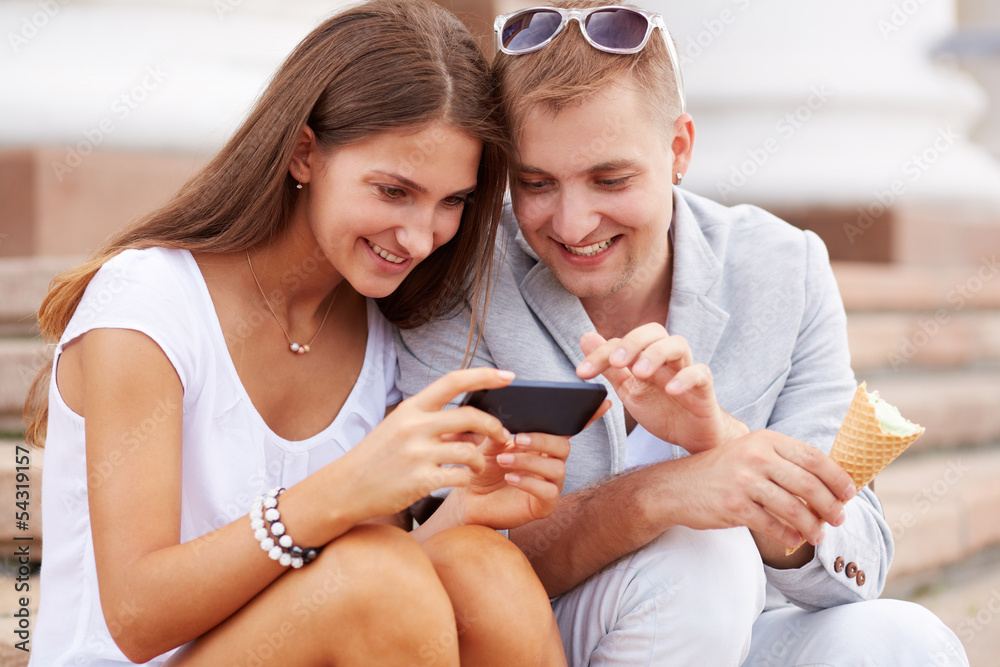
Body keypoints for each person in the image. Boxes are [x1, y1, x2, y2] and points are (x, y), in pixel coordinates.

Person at [396, 1, 971, 664]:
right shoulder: (459, 278)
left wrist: (718, 441)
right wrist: (654, 497)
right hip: (538, 634)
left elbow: (858, 554)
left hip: (741, 629)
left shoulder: (784, 267)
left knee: (907, 641)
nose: (574, 222)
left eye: (610, 178)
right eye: (536, 183)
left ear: (678, 150)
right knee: (702, 552)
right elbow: (445, 562)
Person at [23, 1, 575, 664]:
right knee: (376, 578)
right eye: (394, 190)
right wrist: (336, 492)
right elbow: (136, 618)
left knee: (485, 571)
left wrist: (468, 502)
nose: (421, 235)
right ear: (304, 153)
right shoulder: (149, 304)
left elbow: (368, 605)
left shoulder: (376, 330)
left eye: (451, 200)